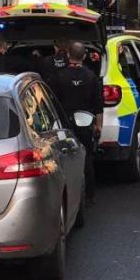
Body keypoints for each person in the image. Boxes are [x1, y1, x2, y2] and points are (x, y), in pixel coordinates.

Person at [41, 42, 103, 205]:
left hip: (64, 125)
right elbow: (98, 104)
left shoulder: (58, 76)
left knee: (63, 159)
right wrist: (98, 125)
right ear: (83, 56)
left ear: (68, 56)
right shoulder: (91, 77)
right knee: (86, 158)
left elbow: (51, 102)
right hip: (85, 123)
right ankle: (89, 196)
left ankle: (67, 195)